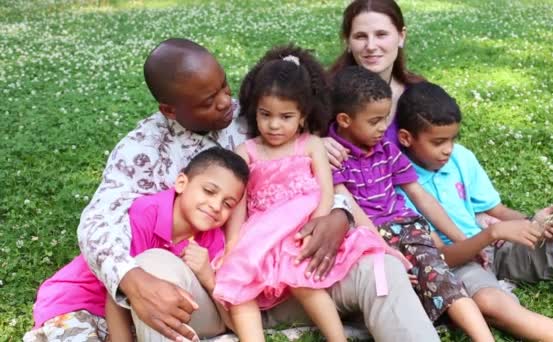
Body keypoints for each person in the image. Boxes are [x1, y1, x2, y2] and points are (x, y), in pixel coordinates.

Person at [75, 38, 440, 341]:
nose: (224, 102)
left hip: (303, 271)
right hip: (217, 289)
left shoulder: (254, 115)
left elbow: (316, 174)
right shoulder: (141, 151)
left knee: (380, 270)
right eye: (207, 100)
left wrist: (339, 215)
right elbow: (97, 223)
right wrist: (131, 279)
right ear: (169, 110)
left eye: (224, 87)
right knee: (154, 269)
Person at [396, 81, 553, 342]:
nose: (448, 149)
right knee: (491, 303)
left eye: (453, 139)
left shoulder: (460, 157)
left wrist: (532, 222)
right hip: (457, 264)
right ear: (406, 138)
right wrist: (491, 233)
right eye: (438, 142)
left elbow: (496, 210)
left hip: (495, 245)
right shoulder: (397, 184)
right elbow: (442, 257)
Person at [212, 46, 395, 342]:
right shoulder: (246, 152)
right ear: (254, 111)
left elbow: (325, 191)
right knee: (237, 279)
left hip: (303, 229)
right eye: (265, 114)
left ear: (302, 116)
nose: (274, 124)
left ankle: (337, 338)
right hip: (263, 233)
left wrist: (318, 224)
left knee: (302, 278)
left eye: (285, 116)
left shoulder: (310, 145)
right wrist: (233, 243)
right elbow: (239, 206)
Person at [328, 66, 493, 341]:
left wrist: (460, 239)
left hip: (404, 228)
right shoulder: (334, 156)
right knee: (400, 287)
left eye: (385, 119)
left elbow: (420, 196)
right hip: (365, 238)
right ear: (345, 119)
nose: (383, 128)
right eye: (375, 121)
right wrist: (381, 248)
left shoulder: (386, 149)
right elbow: (348, 204)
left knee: (439, 276)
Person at [24, 147, 249, 342]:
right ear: (181, 183)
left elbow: (230, 318)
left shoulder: (213, 240)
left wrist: (208, 277)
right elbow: (121, 286)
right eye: (209, 191)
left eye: (228, 204)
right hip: (78, 302)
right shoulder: (145, 215)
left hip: (135, 314)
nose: (215, 205)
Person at [325, 0, 425, 166]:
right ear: (348, 42)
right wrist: (313, 144)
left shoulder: (419, 93)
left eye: (381, 34)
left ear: (401, 36)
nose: (370, 46)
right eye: (360, 36)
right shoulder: (326, 92)